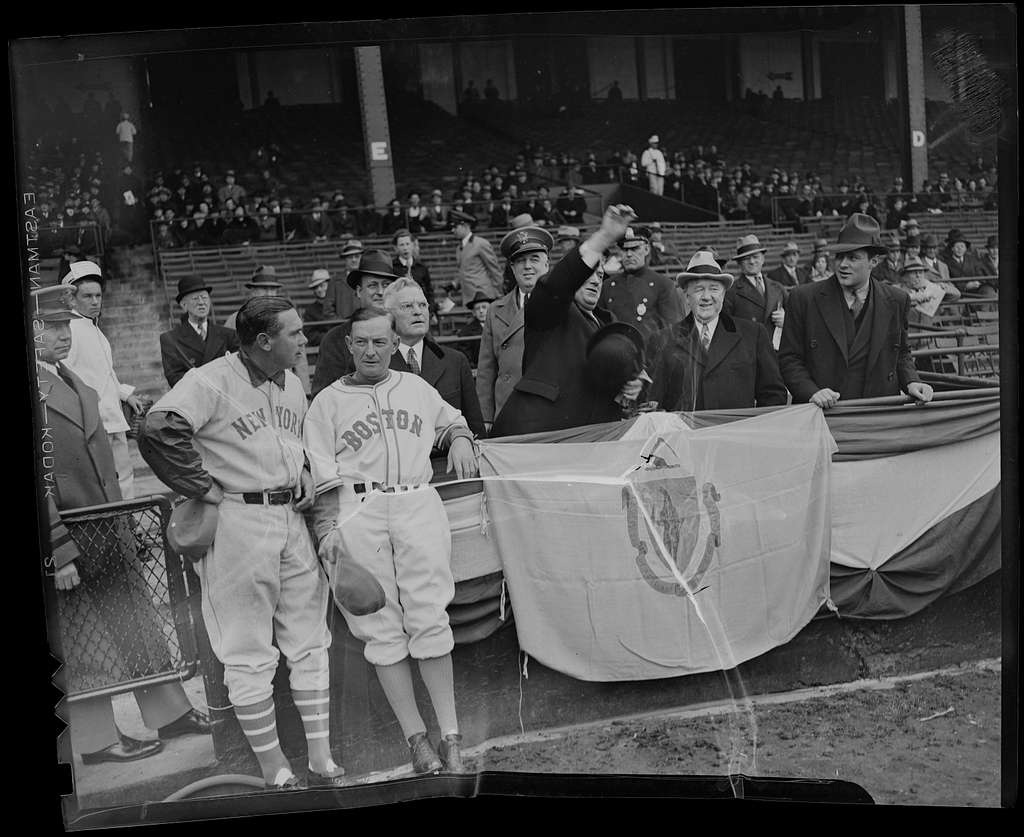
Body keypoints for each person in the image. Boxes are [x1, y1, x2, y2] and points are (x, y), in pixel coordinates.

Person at [140, 297, 342, 791]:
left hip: (289, 518)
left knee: (310, 641)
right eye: (294, 333)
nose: (304, 340)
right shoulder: (211, 379)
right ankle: (274, 769)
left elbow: (293, 442)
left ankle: (321, 759)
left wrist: (307, 472)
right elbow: (157, 426)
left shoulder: (292, 382)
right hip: (238, 521)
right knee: (246, 649)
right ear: (262, 341)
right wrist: (200, 485)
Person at [35, 286, 210, 767]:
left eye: (65, 326)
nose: (63, 335)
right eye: (51, 327)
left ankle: (169, 713)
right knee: (83, 637)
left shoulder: (71, 381)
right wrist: (58, 548)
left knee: (135, 622)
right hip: (70, 533)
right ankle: (93, 740)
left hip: (105, 525)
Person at [303, 307, 479, 775]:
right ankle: (416, 741)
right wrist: (326, 534)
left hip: (418, 502)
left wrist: (460, 437)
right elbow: (319, 477)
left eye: (380, 342)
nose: (370, 351)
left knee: (430, 617)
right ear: (348, 345)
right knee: (381, 629)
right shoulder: (327, 402)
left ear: (392, 341)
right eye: (361, 342)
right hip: (358, 510)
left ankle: (452, 736)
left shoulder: (416, 387)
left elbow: (451, 420)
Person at [491, 205, 646, 437]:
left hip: (592, 437)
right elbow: (557, 284)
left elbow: (627, 368)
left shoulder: (608, 321)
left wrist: (634, 384)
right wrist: (604, 237)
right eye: (589, 275)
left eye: (601, 276)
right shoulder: (550, 309)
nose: (595, 281)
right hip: (541, 436)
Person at [778, 213, 934, 409]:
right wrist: (812, 392)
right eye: (840, 256)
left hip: (879, 411)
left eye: (853, 257)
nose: (843, 264)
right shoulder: (804, 298)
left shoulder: (896, 300)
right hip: (824, 414)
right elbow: (788, 358)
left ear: (874, 262)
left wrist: (912, 381)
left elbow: (901, 353)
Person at [646, 251, 788, 411]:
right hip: (686, 435)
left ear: (723, 294)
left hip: (737, 434)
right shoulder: (663, 339)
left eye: (714, 289)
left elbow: (773, 395)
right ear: (686, 296)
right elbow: (653, 402)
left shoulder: (753, 334)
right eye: (699, 289)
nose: (706, 297)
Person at [61, 261, 144, 499]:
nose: (95, 301)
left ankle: (128, 529)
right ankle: (118, 530)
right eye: (87, 296)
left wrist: (126, 394)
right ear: (72, 299)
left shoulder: (94, 328)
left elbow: (105, 372)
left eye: (98, 295)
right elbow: (67, 377)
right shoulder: (71, 330)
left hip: (112, 416)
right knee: (108, 481)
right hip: (94, 421)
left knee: (124, 476)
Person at [383, 278, 486, 439]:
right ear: (389, 316)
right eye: (407, 306)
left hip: (449, 459)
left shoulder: (456, 361)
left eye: (422, 305)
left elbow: (476, 428)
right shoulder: (377, 365)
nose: (418, 311)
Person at [476, 227, 554, 431]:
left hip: (549, 409)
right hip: (507, 409)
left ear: (547, 264)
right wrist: (486, 417)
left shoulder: (562, 304)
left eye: (534, 259)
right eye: (520, 261)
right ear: (512, 267)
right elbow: (486, 369)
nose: (527, 266)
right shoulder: (495, 309)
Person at [310, 250, 398, 396]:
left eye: (386, 285)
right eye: (372, 285)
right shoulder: (335, 338)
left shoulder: (405, 332)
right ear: (358, 291)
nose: (381, 292)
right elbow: (323, 397)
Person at [598, 225, 683, 341]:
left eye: (635, 248)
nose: (628, 254)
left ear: (647, 250)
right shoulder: (607, 286)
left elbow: (674, 330)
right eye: (624, 249)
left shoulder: (663, 285)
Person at [159, 274, 240, 388]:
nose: (201, 302)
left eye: (204, 297)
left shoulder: (229, 335)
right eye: (195, 298)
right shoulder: (170, 340)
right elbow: (175, 379)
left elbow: (239, 371)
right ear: (184, 305)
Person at [722, 234, 787, 339]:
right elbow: (726, 330)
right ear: (739, 263)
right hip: (748, 351)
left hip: (776, 351)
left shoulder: (778, 287)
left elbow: (797, 317)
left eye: (755, 257)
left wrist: (786, 320)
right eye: (746, 259)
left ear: (763, 259)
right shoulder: (731, 292)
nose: (752, 261)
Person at [451, 208, 503, 307]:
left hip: (483, 295)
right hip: (468, 296)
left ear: (465, 226)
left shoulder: (481, 243)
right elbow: (463, 269)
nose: (452, 230)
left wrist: (499, 294)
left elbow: (494, 270)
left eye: (455, 227)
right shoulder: (459, 248)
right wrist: (454, 283)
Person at [392, 229, 433, 305]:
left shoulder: (422, 267)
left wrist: (430, 310)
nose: (405, 248)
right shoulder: (392, 268)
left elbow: (429, 291)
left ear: (412, 245)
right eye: (401, 245)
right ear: (396, 248)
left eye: (407, 244)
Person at [456, 291, 492, 367]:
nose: (481, 311)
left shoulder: (499, 325)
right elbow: (467, 358)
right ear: (474, 313)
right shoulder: (466, 332)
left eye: (484, 307)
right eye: (478, 308)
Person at [302, 268, 337, 348]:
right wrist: (331, 337)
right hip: (322, 348)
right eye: (316, 287)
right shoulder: (310, 311)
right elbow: (310, 335)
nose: (319, 290)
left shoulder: (340, 304)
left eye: (322, 285)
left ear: (330, 285)